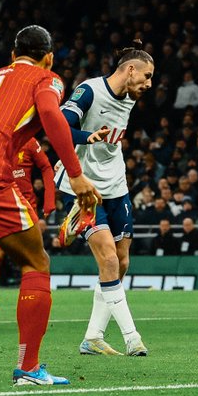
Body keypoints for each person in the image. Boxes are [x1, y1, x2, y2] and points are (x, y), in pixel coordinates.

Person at [0, 25, 100, 386]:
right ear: (48, 57)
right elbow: (51, 115)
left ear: (12, 55)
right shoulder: (46, 78)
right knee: (36, 261)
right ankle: (28, 368)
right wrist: (75, 175)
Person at [56, 41, 154, 357]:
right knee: (109, 259)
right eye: (147, 75)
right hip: (83, 188)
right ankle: (132, 337)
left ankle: (93, 336)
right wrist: (87, 137)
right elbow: (59, 127)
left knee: (121, 262)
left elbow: (131, 60)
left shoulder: (130, 96)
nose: (149, 84)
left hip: (116, 185)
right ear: (130, 70)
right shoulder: (89, 91)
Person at [0, 136, 57, 325]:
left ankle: (35, 304)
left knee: (32, 260)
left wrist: (49, 200)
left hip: (25, 209)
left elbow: (46, 167)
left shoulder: (29, 141)